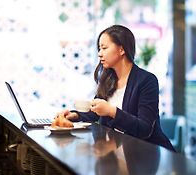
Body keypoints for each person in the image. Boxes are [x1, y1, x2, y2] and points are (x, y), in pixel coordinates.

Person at [55, 24, 175, 152]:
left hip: (146, 155)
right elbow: (94, 113)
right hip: (117, 152)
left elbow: (145, 129)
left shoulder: (146, 81)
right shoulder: (108, 80)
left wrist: (112, 111)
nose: (100, 54)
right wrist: (74, 115)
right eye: (99, 49)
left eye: (104, 48)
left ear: (121, 50)